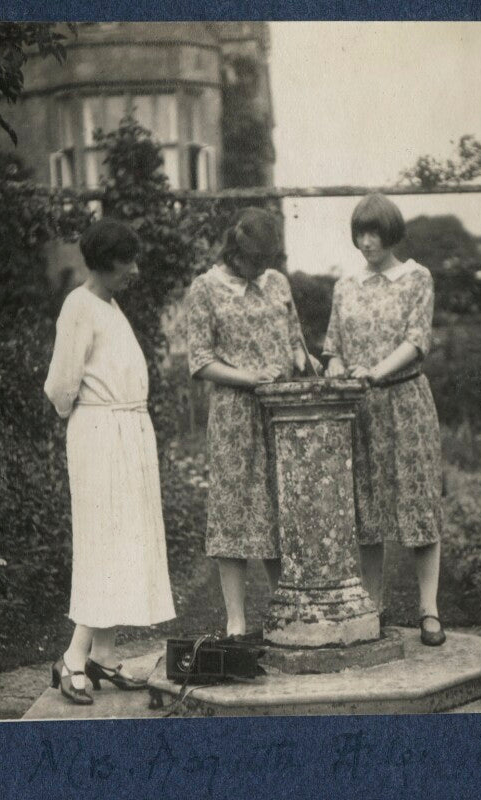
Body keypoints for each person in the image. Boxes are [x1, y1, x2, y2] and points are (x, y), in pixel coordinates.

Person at [44, 218, 176, 704]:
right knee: (106, 543)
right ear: (104, 264)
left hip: (126, 433)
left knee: (125, 542)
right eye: (128, 263)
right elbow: (61, 387)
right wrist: (98, 419)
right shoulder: (79, 306)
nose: (136, 270)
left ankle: (103, 655)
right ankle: (73, 659)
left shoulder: (110, 305)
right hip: (99, 436)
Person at [181, 207, 317, 637]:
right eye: (254, 261)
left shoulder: (276, 283)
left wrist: (305, 362)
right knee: (233, 514)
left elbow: (295, 341)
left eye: (267, 261)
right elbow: (200, 361)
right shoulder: (205, 289)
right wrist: (250, 378)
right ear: (234, 251)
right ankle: (236, 620)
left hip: (281, 413)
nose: (261, 270)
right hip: (235, 415)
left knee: (282, 509)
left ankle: (286, 612)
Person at [323, 193, 445, 646]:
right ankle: (372, 607)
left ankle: (429, 611)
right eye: (360, 232)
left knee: (419, 505)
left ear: (390, 232)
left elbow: (416, 341)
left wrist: (375, 371)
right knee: (367, 509)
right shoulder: (345, 285)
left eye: (374, 232)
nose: (367, 241)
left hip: (406, 401)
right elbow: (332, 347)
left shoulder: (416, 278)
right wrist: (337, 371)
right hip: (361, 410)